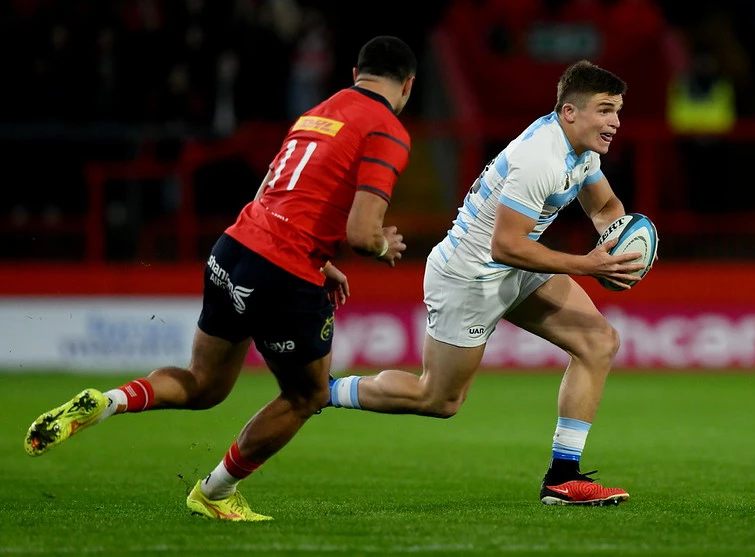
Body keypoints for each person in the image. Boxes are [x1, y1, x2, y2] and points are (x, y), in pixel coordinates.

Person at [23, 35, 417, 521]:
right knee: (307, 394)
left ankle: (107, 402)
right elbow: (362, 233)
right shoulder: (389, 130)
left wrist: (321, 256)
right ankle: (214, 492)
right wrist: (382, 245)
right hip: (283, 271)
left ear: (356, 75)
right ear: (408, 86)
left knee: (203, 384)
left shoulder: (319, 112)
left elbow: (276, 190)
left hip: (236, 246)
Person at [328, 60, 646, 506]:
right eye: (605, 110)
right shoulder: (541, 158)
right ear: (570, 112)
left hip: (515, 264)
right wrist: (588, 265)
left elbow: (604, 206)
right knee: (438, 399)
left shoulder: (581, 149)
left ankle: (562, 478)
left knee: (598, 342)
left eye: (618, 111)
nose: (615, 121)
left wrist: (620, 243)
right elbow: (505, 246)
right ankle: (323, 390)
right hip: (469, 276)